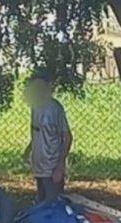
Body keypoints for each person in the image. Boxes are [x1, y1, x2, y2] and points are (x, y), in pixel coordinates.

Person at [23, 73, 73, 202]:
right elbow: (36, 130)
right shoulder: (35, 107)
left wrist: (60, 166)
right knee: (41, 202)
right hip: (39, 166)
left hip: (52, 167)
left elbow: (67, 137)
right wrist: (29, 149)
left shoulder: (55, 108)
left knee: (53, 204)